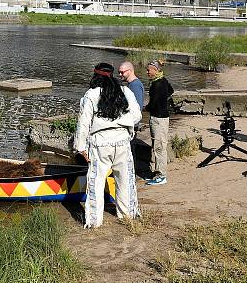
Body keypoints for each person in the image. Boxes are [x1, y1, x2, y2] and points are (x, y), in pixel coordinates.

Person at [74, 62, 142, 228]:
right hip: (122, 141)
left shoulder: (91, 94)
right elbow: (137, 115)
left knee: (96, 182)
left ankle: (95, 221)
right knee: (125, 180)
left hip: (100, 143)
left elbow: (83, 124)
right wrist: (123, 126)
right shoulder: (125, 91)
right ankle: (127, 215)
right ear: (112, 75)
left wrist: (80, 147)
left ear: (95, 76)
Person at [145, 60, 173, 185]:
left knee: (159, 148)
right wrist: (164, 102)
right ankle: (157, 173)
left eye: (148, 70)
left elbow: (153, 102)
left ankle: (162, 176)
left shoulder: (157, 84)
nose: (147, 72)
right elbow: (171, 91)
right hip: (162, 116)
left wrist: (147, 108)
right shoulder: (163, 80)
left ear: (155, 70)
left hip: (159, 118)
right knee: (157, 146)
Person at [118, 61, 144, 128]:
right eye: (119, 72)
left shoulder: (135, 85)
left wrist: (132, 123)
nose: (120, 74)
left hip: (131, 123)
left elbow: (138, 106)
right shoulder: (131, 84)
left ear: (129, 71)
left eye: (122, 72)